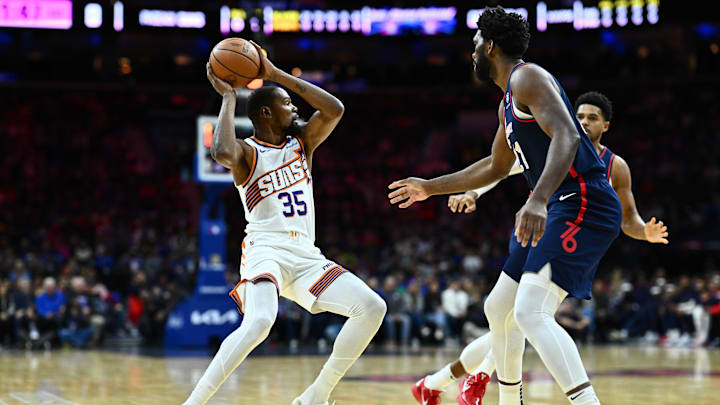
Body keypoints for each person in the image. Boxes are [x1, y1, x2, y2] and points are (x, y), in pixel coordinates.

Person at [392, 7, 625, 405]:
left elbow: (567, 137)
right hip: (560, 204)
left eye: (475, 44)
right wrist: (430, 187)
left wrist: (536, 199)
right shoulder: (507, 101)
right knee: (499, 307)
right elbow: (496, 166)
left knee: (531, 312)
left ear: (491, 46)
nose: (472, 52)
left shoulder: (526, 76)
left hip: (584, 199)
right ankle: (509, 399)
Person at [411, 89, 672, 404]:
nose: (585, 122)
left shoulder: (615, 165)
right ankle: (456, 379)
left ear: (606, 126)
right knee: (503, 312)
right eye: (580, 116)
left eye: (593, 118)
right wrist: (473, 193)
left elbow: (628, 219)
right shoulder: (556, 143)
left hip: (572, 230)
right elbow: (502, 167)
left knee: (523, 315)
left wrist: (645, 232)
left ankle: (464, 378)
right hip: (535, 228)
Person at [183, 42, 386, 405]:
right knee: (260, 323)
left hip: (307, 256)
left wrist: (275, 75)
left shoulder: (303, 143)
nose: (295, 107)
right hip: (266, 251)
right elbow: (220, 152)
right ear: (265, 113)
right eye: (286, 103)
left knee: (372, 308)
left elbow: (335, 108)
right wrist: (230, 98)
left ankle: (316, 396)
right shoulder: (247, 151)